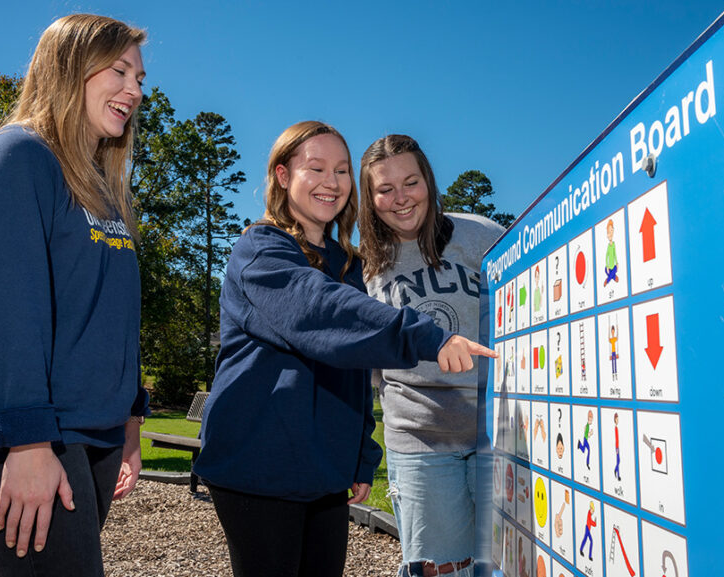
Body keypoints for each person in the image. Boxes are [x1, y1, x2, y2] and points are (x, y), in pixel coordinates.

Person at [194, 121, 494, 577]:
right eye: (315, 168)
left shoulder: (347, 264)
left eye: (340, 170)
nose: (331, 182)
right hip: (259, 465)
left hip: (323, 473)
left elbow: (355, 371)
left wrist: (360, 455)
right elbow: (318, 310)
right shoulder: (261, 248)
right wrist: (429, 335)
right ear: (281, 176)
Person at [0, 14, 148, 576]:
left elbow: (111, 318)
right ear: (69, 66)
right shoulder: (19, 157)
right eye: (120, 70)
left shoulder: (99, 189)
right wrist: (28, 444)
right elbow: (0, 310)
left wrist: (129, 422)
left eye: (141, 79)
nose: (135, 90)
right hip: (27, 438)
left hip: (90, 436)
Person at [358, 134, 505, 577]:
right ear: (370, 197)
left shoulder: (481, 236)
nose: (400, 199)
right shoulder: (365, 265)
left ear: (429, 181)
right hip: (419, 441)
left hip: (495, 436)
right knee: (442, 571)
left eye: (411, 182)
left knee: (506, 565)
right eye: (385, 189)